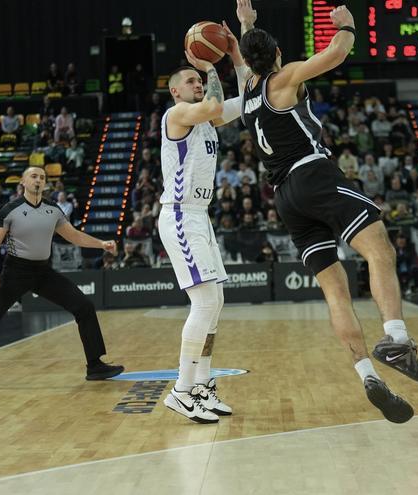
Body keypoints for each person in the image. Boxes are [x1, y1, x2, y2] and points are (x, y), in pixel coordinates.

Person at [238, 0, 418, 424]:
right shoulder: (280, 78)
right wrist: (347, 25)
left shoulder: (248, 93)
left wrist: (246, 25)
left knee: (335, 290)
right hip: (313, 176)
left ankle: (367, 375)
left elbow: (242, 63)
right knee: (380, 247)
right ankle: (397, 337)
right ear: (275, 56)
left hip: (285, 198)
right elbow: (337, 54)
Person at [0, 166, 124, 391]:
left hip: (44, 272)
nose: (38, 180)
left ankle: (94, 366)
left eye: (42, 178)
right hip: (15, 272)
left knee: (84, 306)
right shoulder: (10, 209)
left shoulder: (53, 209)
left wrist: (101, 244)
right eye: (34, 176)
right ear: (23, 181)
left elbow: (73, 235)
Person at [157, 19, 249, 424]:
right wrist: (210, 67)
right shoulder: (177, 113)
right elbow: (213, 104)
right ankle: (180, 390)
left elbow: (247, 98)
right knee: (205, 301)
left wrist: (233, 50)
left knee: (217, 303)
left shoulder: (206, 119)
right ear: (176, 90)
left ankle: (201, 386)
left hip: (200, 217)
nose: (198, 83)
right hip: (178, 215)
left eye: (200, 79)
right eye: (191, 80)